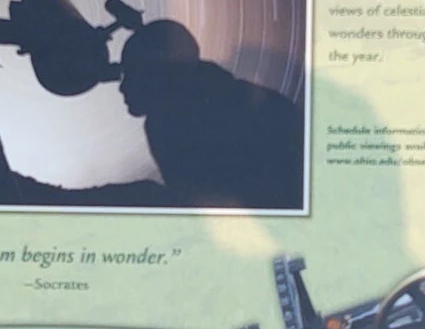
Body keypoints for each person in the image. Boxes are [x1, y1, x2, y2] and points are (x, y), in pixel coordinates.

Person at [116, 18, 305, 209]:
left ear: (159, 75)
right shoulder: (172, 117)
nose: (122, 88)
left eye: (131, 73)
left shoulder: (172, 124)